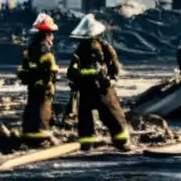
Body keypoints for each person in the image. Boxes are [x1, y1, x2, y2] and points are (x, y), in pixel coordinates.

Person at [66, 14, 131, 151]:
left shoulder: (104, 48)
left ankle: (120, 142)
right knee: (88, 118)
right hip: (90, 88)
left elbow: (114, 68)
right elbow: (73, 69)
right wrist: (76, 78)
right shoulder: (82, 50)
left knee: (111, 116)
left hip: (101, 88)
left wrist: (111, 80)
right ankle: (88, 143)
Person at [17, 13, 60, 145]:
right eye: (51, 33)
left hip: (32, 84)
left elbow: (24, 68)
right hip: (42, 85)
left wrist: (28, 79)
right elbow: (50, 68)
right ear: (48, 33)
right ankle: (42, 135)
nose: (52, 36)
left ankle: (29, 133)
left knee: (32, 107)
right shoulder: (45, 48)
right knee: (42, 108)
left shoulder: (32, 46)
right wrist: (49, 82)